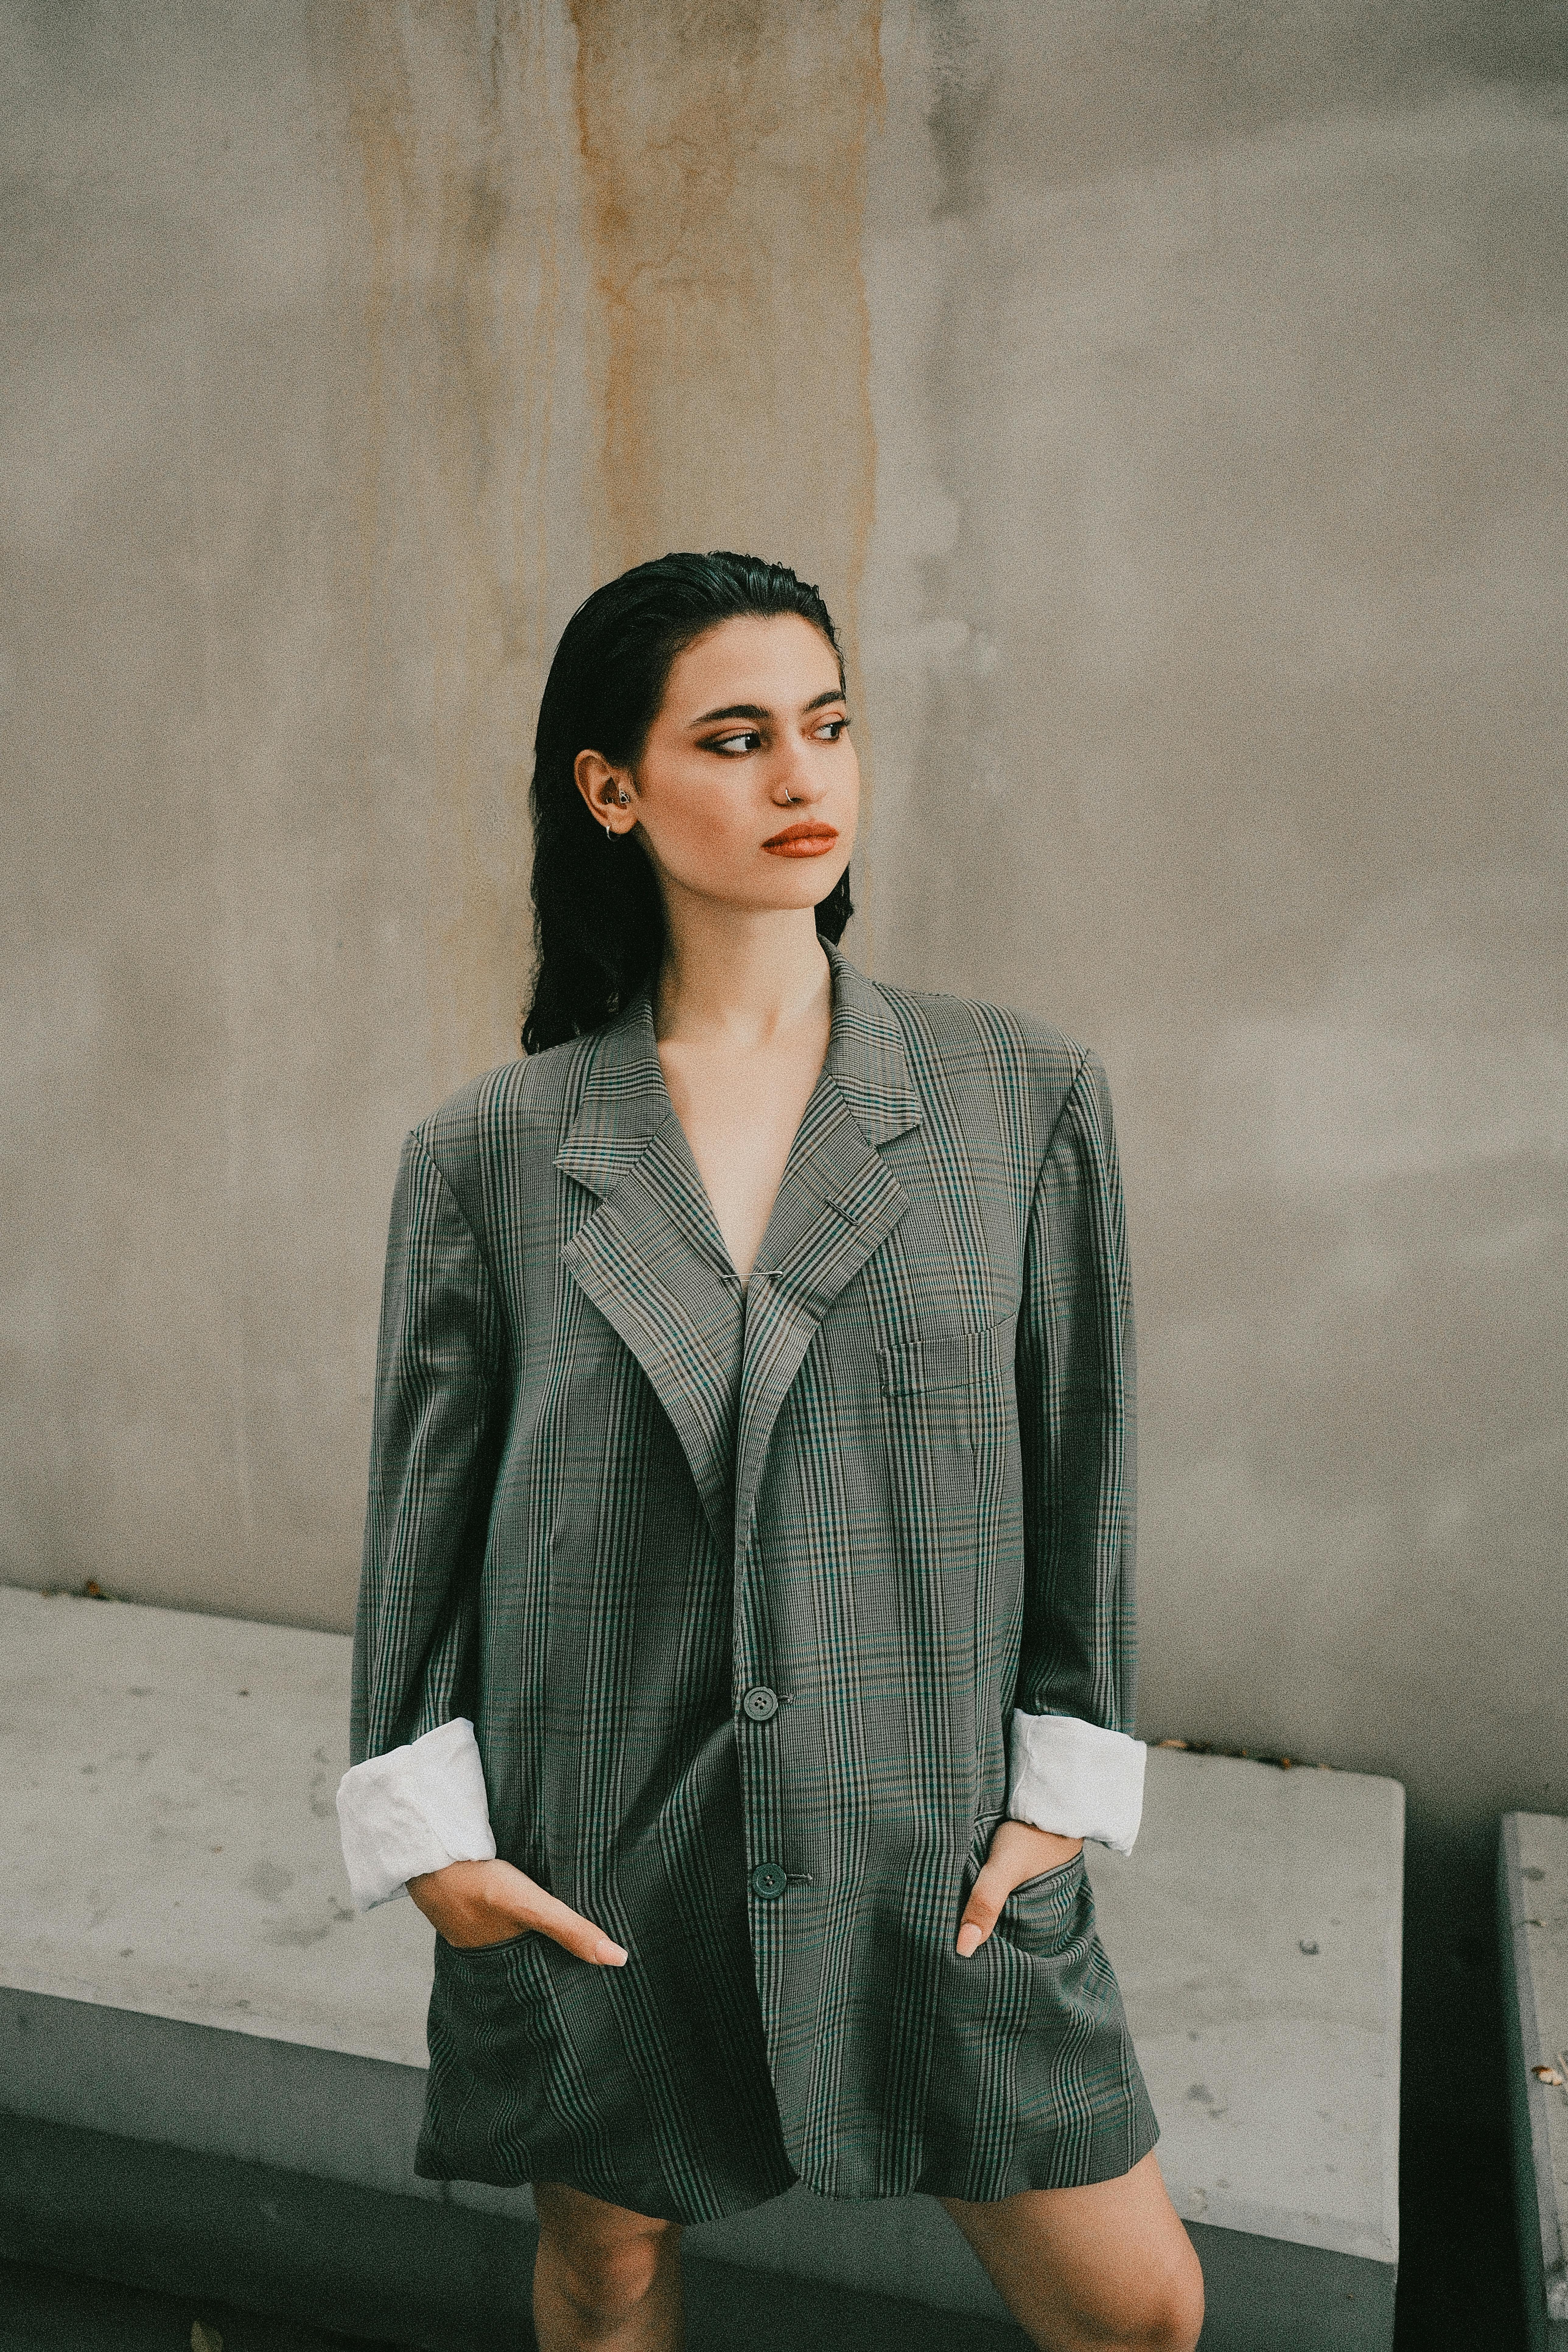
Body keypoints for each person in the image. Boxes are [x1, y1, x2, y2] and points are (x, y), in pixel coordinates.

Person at [336, 552, 1204, 2352]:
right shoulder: (494, 1151)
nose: (802, 777)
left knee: (1137, 2314)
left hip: (928, 1834)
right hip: (605, 1854)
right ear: (613, 786)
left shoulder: (1019, 1101)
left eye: (827, 726)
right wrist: (432, 1838)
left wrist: (1062, 1786)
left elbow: (1084, 1466)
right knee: (610, 2274)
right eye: (735, 739)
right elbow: (423, 1521)